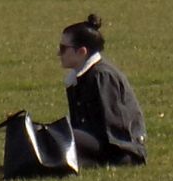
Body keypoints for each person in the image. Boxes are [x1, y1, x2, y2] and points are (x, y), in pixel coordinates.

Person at [58, 14, 146, 166]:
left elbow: (114, 131)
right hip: (101, 144)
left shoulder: (102, 76)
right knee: (52, 135)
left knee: (57, 135)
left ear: (82, 52)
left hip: (123, 151)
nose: (59, 54)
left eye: (63, 49)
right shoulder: (80, 76)